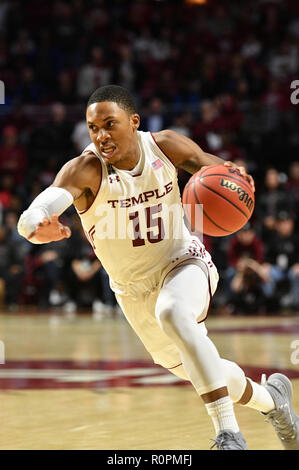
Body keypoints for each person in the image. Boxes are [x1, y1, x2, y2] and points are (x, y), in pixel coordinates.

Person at [17, 85, 299, 450]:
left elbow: (213, 168)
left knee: (174, 311)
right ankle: (275, 401)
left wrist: (238, 180)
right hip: (133, 293)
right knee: (203, 370)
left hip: (183, 262)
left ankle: (229, 435)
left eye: (109, 124)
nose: (101, 136)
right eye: (93, 128)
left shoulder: (164, 145)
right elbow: (32, 215)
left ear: (134, 122)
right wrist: (36, 228)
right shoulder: (86, 169)